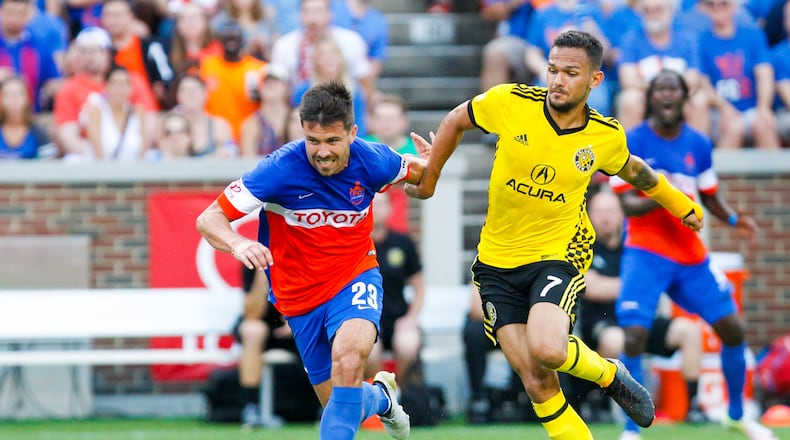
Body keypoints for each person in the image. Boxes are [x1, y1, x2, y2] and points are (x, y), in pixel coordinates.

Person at [407, 30, 706, 440]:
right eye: (552, 70)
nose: (558, 80)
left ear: (594, 80)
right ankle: (605, 377)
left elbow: (637, 171)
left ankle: (606, 373)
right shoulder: (510, 102)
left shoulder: (604, 135)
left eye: (570, 72)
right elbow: (456, 120)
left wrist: (680, 205)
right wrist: (430, 180)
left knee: (549, 348)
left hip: (557, 253)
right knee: (537, 380)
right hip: (495, 263)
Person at [196, 80, 429, 440]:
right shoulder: (279, 169)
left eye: (332, 141)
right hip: (298, 298)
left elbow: (420, 179)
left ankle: (372, 396)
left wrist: (431, 168)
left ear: (352, 133)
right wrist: (237, 244)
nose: (321, 152)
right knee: (340, 400)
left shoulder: (375, 159)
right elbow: (209, 219)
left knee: (349, 362)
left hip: (355, 276)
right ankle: (381, 398)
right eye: (313, 141)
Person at [610, 69, 775, 440]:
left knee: (734, 329)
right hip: (646, 251)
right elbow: (628, 207)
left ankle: (736, 415)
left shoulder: (698, 144)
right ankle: (630, 428)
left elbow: (709, 195)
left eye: (674, 89)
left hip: (690, 256)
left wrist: (734, 219)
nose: (667, 95)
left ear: (684, 98)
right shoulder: (631, 141)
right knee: (633, 334)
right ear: (650, 97)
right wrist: (666, 193)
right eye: (660, 88)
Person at [571, 189, 707, 426]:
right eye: (599, 212)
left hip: (640, 320)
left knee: (689, 331)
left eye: (611, 211)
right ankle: (625, 409)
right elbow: (592, 287)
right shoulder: (583, 246)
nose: (605, 217)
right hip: (605, 325)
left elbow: (661, 276)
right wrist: (638, 284)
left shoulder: (637, 245)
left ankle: (694, 406)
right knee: (616, 340)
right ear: (589, 215)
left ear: (621, 214)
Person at [365, 191, 425, 387]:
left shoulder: (403, 242)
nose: (377, 209)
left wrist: (411, 318)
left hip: (398, 318)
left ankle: (400, 393)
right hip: (366, 317)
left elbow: (419, 289)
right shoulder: (355, 244)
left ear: (390, 209)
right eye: (372, 204)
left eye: (381, 204)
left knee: (408, 345)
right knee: (369, 350)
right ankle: (380, 395)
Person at [234, 265, 298, 429]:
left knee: (324, 328)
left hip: (298, 323)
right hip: (266, 326)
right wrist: (263, 274)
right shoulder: (253, 259)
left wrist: (297, 322)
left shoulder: (306, 254)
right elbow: (252, 313)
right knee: (252, 331)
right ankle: (251, 409)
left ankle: (328, 408)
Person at [0, 76, 55, 159]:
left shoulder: (38, 131)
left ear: (27, 98)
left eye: (18, 94)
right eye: (7, 94)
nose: (13, 99)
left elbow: (49, 163)